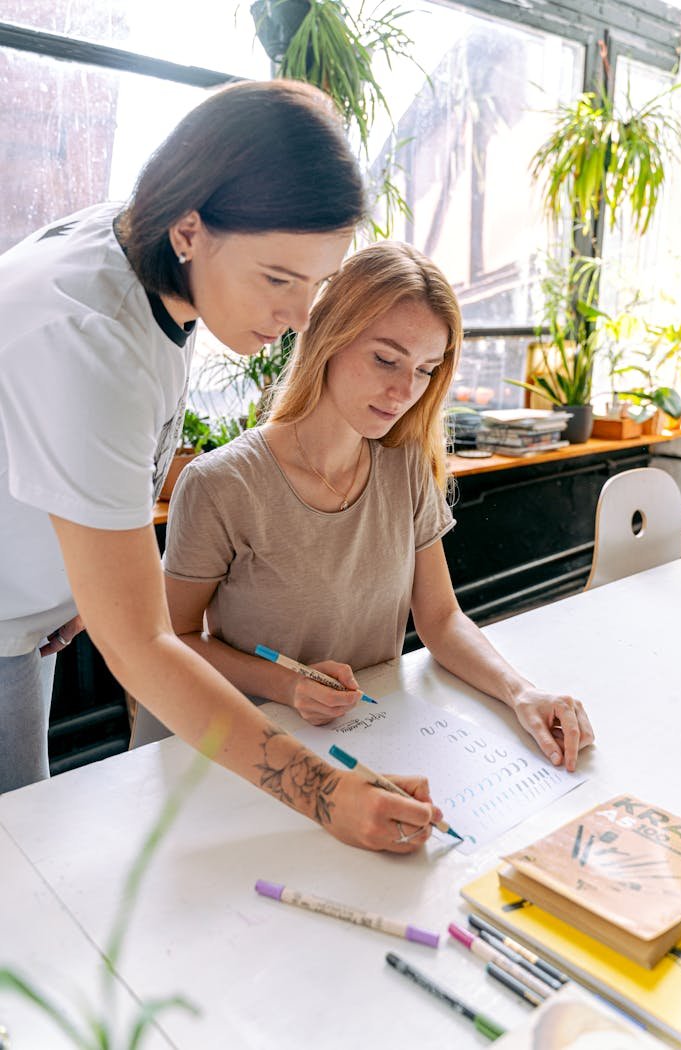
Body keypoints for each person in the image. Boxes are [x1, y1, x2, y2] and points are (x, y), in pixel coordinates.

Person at [0, 79, 441, 854]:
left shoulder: (154, 259)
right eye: (279, 279)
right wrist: (325, 793)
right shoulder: (90, 335)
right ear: (190, 227)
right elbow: (141, 644)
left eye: (317, 283)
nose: (300, 318)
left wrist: (88, 577)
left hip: (28, 625)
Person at [163, 242, 594, 776]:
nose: (402, 391)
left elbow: (439, 619)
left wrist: (523, 692)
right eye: (385, 359)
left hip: (373, 739)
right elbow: (172, 641)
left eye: (425, 370)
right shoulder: (221, 484)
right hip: (252, 753)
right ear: (327, 336)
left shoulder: (405, 465)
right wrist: (286, 684)